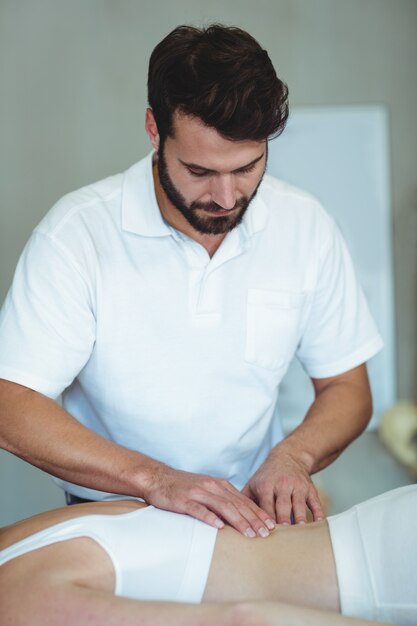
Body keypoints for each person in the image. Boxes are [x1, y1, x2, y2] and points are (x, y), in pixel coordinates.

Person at [0, 24, 383, 535]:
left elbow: (346, 386)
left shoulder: (304, 225)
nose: (226, 197)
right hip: (116, 512)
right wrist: (155, 480)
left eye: (247, 167)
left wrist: (295, 455)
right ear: (154, 130)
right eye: (200, 171)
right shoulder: (77, 234)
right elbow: (10, 401)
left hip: (254, 512)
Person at [0, 484, 416, 625]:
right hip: (382, 528)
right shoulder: (21, 536)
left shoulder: (14, 603)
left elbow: (245, 620)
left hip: (380, 581)